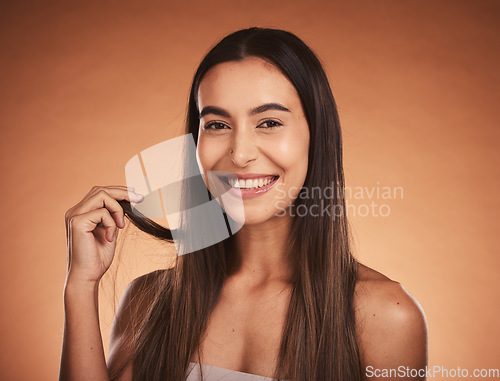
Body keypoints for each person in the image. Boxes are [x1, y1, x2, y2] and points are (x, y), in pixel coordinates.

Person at [59, 27, 428, 381]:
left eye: (268, 122)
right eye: (217, 125)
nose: (239, 154)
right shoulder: (150, 302)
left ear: (317, 135)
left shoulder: (385, 316)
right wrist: (80, 285)